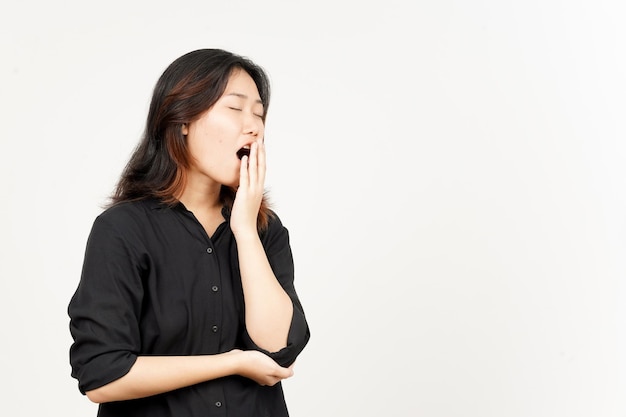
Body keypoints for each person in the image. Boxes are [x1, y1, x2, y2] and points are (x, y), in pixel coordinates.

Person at [68, 48, 310, 417]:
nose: (254, 126)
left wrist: (244, 230)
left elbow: (277, 348)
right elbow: (102, 375)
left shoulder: (264, 230)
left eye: (259, 114)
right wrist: (231, 362)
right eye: (235, 108)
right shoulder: (123, 229)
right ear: (182, 119)